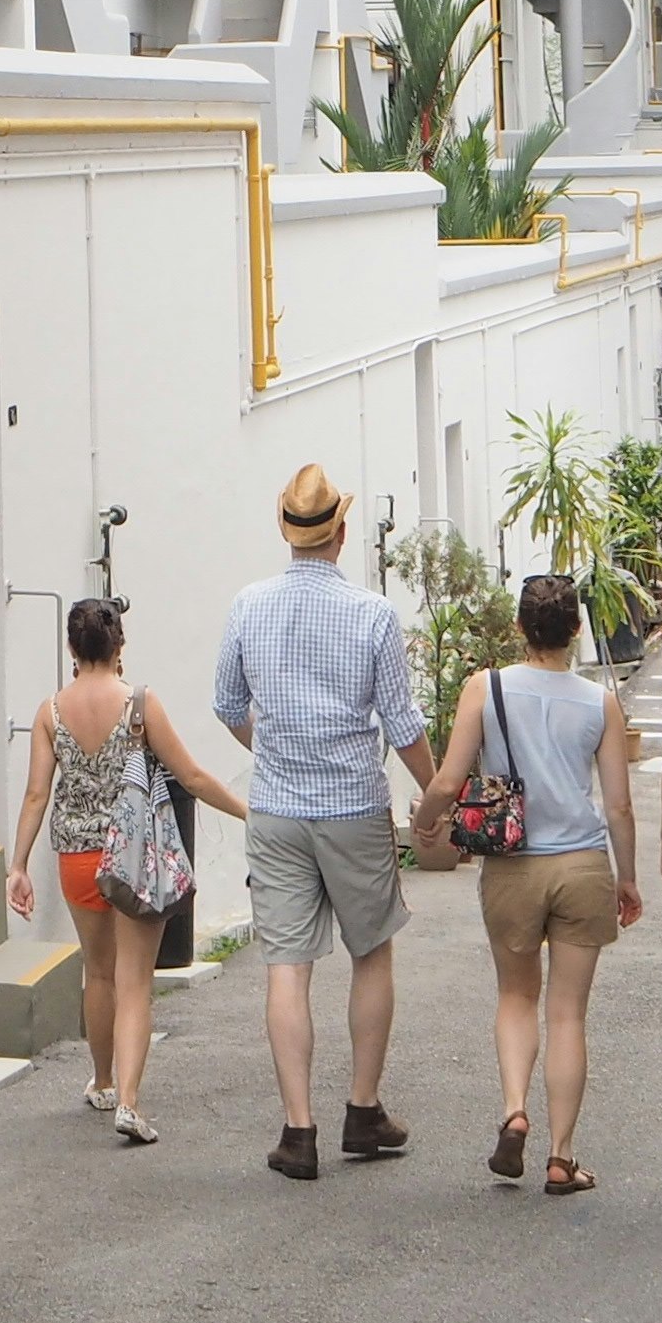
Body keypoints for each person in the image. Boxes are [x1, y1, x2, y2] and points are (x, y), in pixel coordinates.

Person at [212, 464, 434, 1179]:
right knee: (371, 952)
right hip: (352, 807)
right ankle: (363, 1111)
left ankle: (298, 1130)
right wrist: (438, 795)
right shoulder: (372, 615)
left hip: (276, 809)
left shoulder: (248, 605)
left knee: (287, 963)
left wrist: (271, 746)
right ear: (341, 533)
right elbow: (401, 725)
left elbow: (226, 704)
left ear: (287, 530)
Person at [418, 573, 642, 1194]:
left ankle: (514, 1108)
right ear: (575, 631)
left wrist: (423, 826)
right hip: (582, 864)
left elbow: (446, 781)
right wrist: (628, 880)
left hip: (513, 865)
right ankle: (561, 1157)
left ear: (520, 627)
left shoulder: (483, 690)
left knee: (516, 996)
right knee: (568, 1015)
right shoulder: (600, 703)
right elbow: (619, 807)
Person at [5, 597, 250, 1146]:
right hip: (135, 857)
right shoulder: (140, 705)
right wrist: (249, 812)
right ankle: (132, 1105)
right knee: (136, 980)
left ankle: (103, 1080)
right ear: (120, 645)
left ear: (72, 648)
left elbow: (37, 793)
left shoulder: (49, 711)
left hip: (76, 857)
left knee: (100, 972)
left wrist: (17, 865)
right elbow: (190, 775)